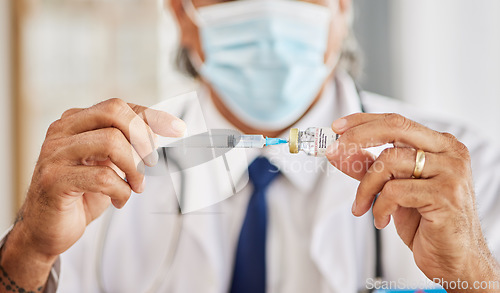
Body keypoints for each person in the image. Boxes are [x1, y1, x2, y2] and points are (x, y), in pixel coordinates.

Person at [1, 0, 500, 292]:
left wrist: (472, 275)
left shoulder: (458, 175)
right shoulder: (98, 173)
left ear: (342, 10)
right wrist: (27, 254)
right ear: (182, 13)